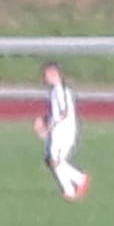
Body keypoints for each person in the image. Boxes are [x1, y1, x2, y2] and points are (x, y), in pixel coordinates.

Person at [36, 62, 90, 201]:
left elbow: (63, 113)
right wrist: (44, 119)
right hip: (57, 131)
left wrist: (48, 128)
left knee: (55, 161)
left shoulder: (61, 90)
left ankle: (80, 179)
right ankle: (69, 190)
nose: (45, 78)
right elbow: (55, 113)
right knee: (51, 160)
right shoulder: (54, 91)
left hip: (64, 132)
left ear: (54, 74)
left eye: (46, 75)